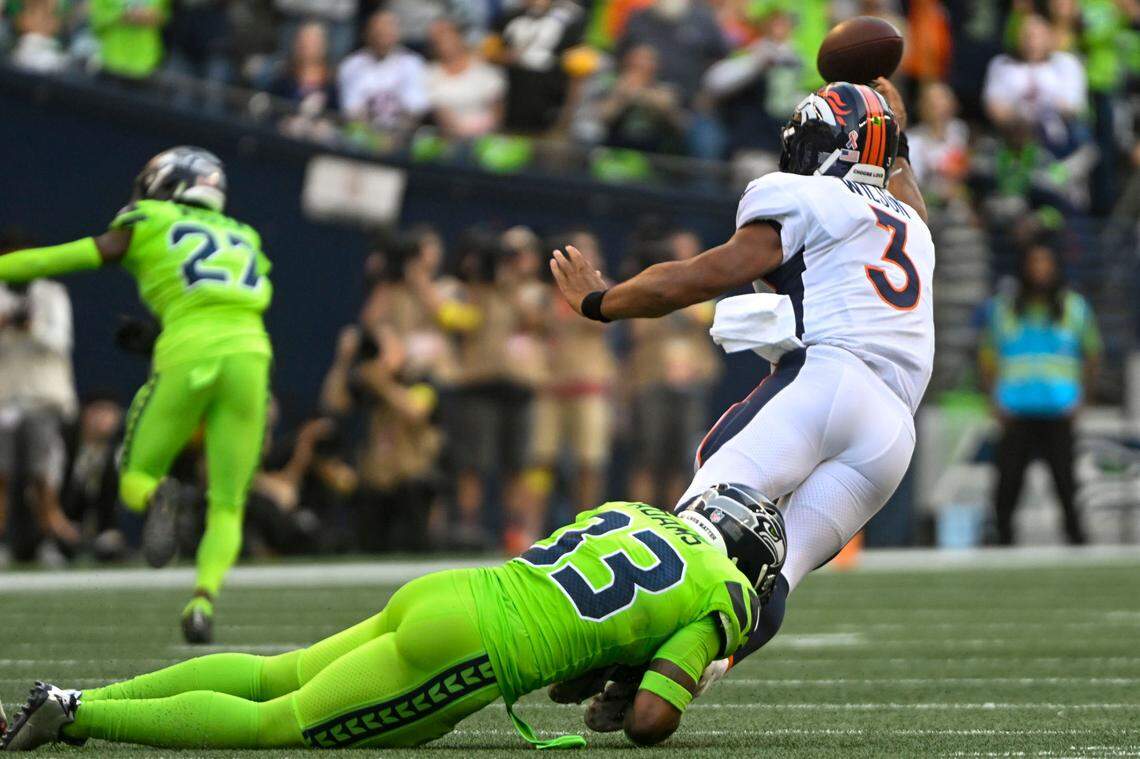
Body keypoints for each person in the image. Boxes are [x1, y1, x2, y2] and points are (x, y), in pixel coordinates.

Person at [550, 79, 934, 690]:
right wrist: (897, 136)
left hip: (828, 382)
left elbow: (705, 275)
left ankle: (612, 651)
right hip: (892, 435)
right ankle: (682, 677)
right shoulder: (914, 224)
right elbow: (903, 187)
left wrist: (602, 301)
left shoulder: (800, 196)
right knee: (775, 573)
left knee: (695, 533)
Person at [0, 484, 787, 752]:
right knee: (281, 723)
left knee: (279, 669)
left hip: (450, 592)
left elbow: (572, 646)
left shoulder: (634, 509)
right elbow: (650, 720)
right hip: (476, 648)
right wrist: (659, 684)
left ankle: (80, 692)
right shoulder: (728, 593)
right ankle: (76, 715)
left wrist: (614, 666)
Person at [0, 147, 273, 645]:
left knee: (136, 477)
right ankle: (201, 601)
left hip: (188, 348)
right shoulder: (244, 235)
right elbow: (221, 299)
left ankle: (158, 497)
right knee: (229, 504)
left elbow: (67, 257)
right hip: (251, 353)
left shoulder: (148, 217)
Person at [978, 239, 1100, 545]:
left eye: (1045, 263)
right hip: (1015, 411)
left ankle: (1077, 541)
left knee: (1067, 485)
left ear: (1056, 267)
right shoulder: (1004, 308)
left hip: (1058, 410)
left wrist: (1082, 399)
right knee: (1006, 486)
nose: (1039, 269)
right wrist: (993, 400)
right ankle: (1002, 541)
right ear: (1023, 267)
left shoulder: (1074, 308)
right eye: (1034, 262)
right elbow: (987, 356)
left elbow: (1093, 354)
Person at [337, 11, 430, 133]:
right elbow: (352, 110)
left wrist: (395, 137)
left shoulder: (412, 63)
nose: (382, 35)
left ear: (397, 34)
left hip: (403, 135)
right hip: (363, 135)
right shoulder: (351, 65)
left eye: (387, 30)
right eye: (378, 31)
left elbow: (415, 109)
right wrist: (372, 138)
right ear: (367, 33)